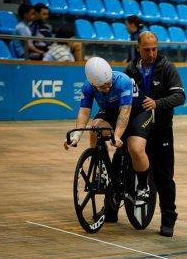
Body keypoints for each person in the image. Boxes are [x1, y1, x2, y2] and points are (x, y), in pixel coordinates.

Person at [64, 57, 153, 205]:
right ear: (93, 84)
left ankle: (144, 187)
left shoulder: (122, 81)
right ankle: (101, 168)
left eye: (109, 83)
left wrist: (116, 136)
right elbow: (84, 112)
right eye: (103, 87)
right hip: (111, 111)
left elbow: (125, 113)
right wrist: (76, 136)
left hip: (138, 112)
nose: (108, 87)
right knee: (95, 128)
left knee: (135, 148)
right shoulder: (87, 86)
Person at [124, 31, 186, 236]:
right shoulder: (131, 69)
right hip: (138, 129)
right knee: (122, 161)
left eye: (154, 49)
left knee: (164, 177)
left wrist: (157, 104)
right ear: (138, 48)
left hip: (161, 130)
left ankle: (168, 218)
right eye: (147, 49)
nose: (151, 53)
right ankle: (112, 206)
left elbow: (180, 95)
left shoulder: (167, 67)